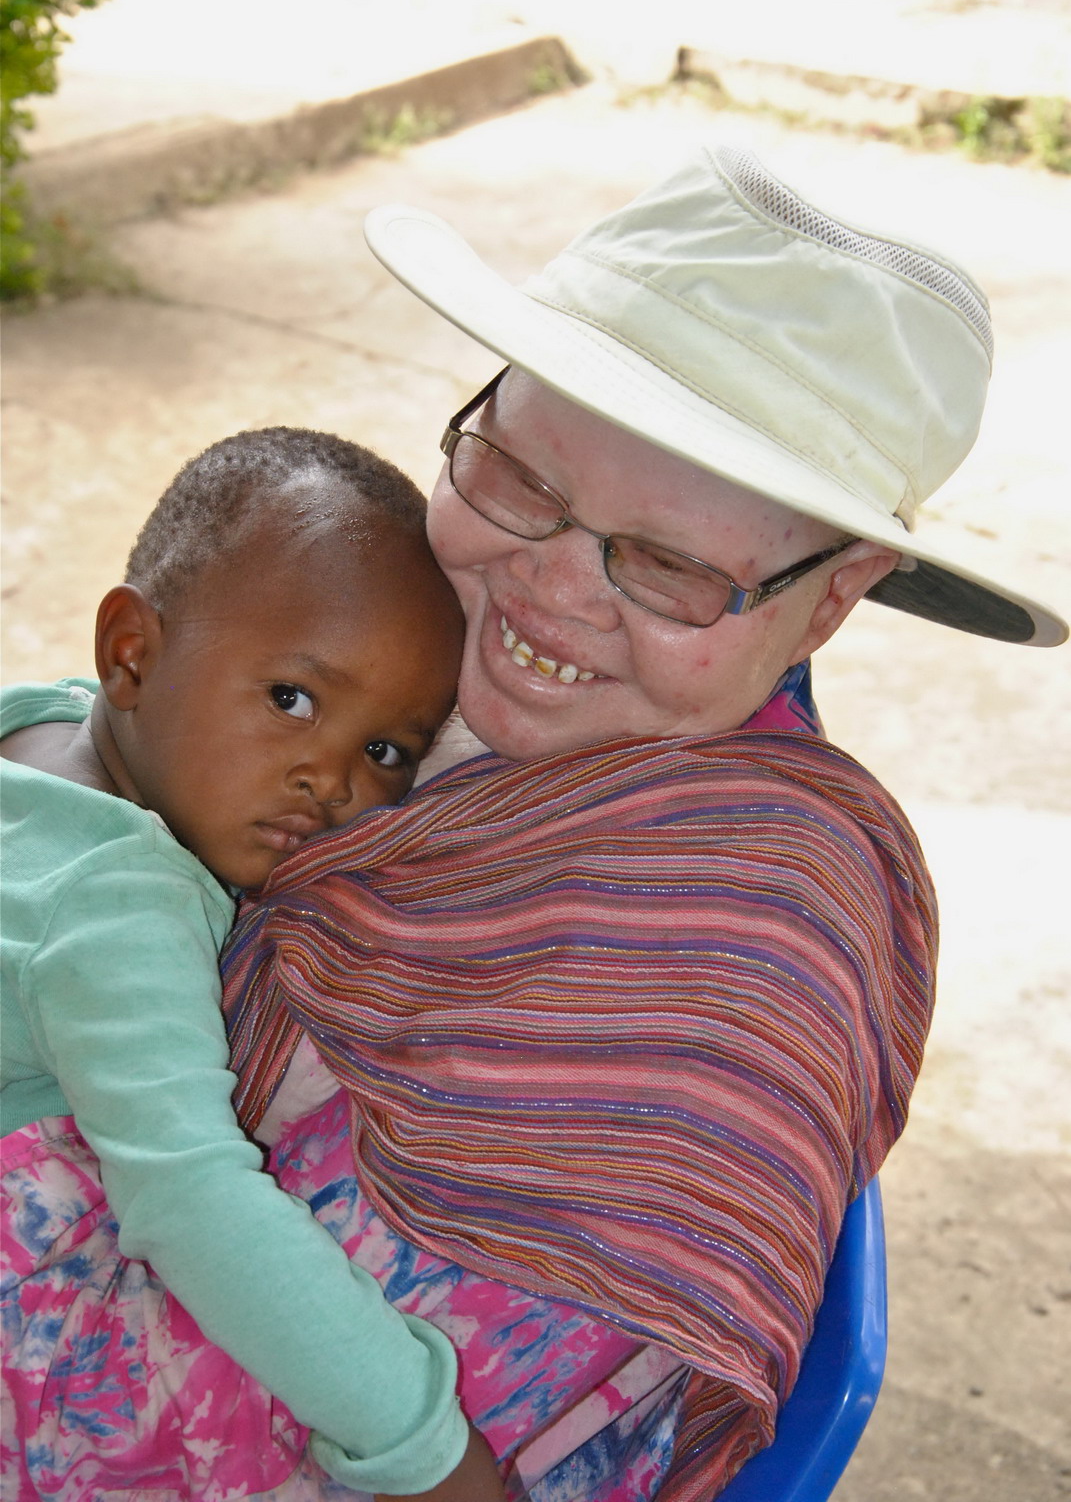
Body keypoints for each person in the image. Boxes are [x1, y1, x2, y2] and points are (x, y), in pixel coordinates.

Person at [6, 145, 1066, 1502]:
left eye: (670, 562)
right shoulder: (389, 643)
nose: (544, 593)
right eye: (517, 478)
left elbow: (278, 1404)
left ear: (828, 600)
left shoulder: (739, 937)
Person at [0, 429, 507, 1501]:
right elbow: (194, 1202)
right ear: (131, 653)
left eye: (386, 753)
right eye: (292, 698)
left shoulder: (36, 731)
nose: (328, 780)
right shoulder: (119, 899)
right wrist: (426, 1445)